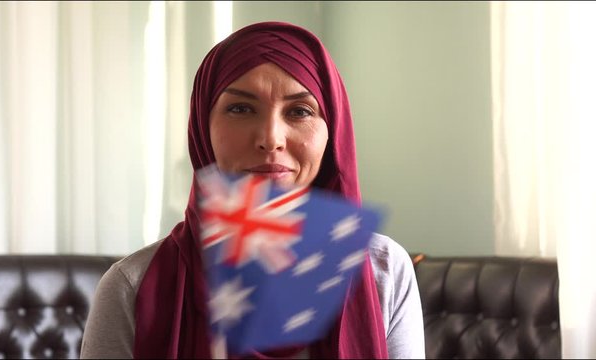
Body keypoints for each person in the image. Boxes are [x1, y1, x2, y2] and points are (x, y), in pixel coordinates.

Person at [80, 21, 425, 359]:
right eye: (241, 108)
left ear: (331, 132)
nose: (270, 138)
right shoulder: (132, 287)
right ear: (203, 127)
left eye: (300, 111)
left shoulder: (383, 270)